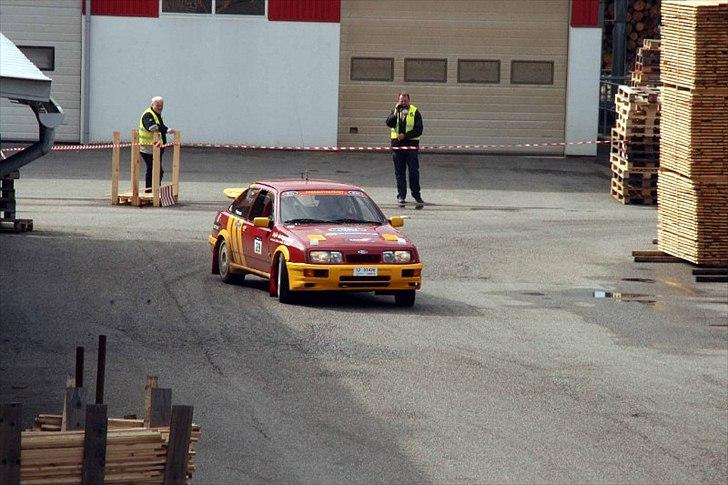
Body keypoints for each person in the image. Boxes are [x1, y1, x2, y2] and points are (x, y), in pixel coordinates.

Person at [385, 92, 424, 204]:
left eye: (405, 101)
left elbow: (419, 129)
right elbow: (389, 123)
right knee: (399, 173)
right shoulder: (395, 111)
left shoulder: (415, 112)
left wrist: (405, 135)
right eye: (401, 101)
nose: (403, 103)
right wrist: (395, 112)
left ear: (409, 101)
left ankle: (416, 195)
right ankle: (401, 196)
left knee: (414, 172)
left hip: (411, 146)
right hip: (398, 147)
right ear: (398, 101)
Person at [139, 96, 174, 192]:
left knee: (157, 170)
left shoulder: (156, 114)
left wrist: (165, 129)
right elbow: (152, 127)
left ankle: (154, 190)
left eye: (161, 105)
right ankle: (150, 191)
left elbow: (159, 126)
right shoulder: (148, 115)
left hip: (157, 147)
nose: (160, 107)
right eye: (157, 105)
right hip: (148, 148)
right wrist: (165, 129)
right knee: (153, 169)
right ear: (152, 105)